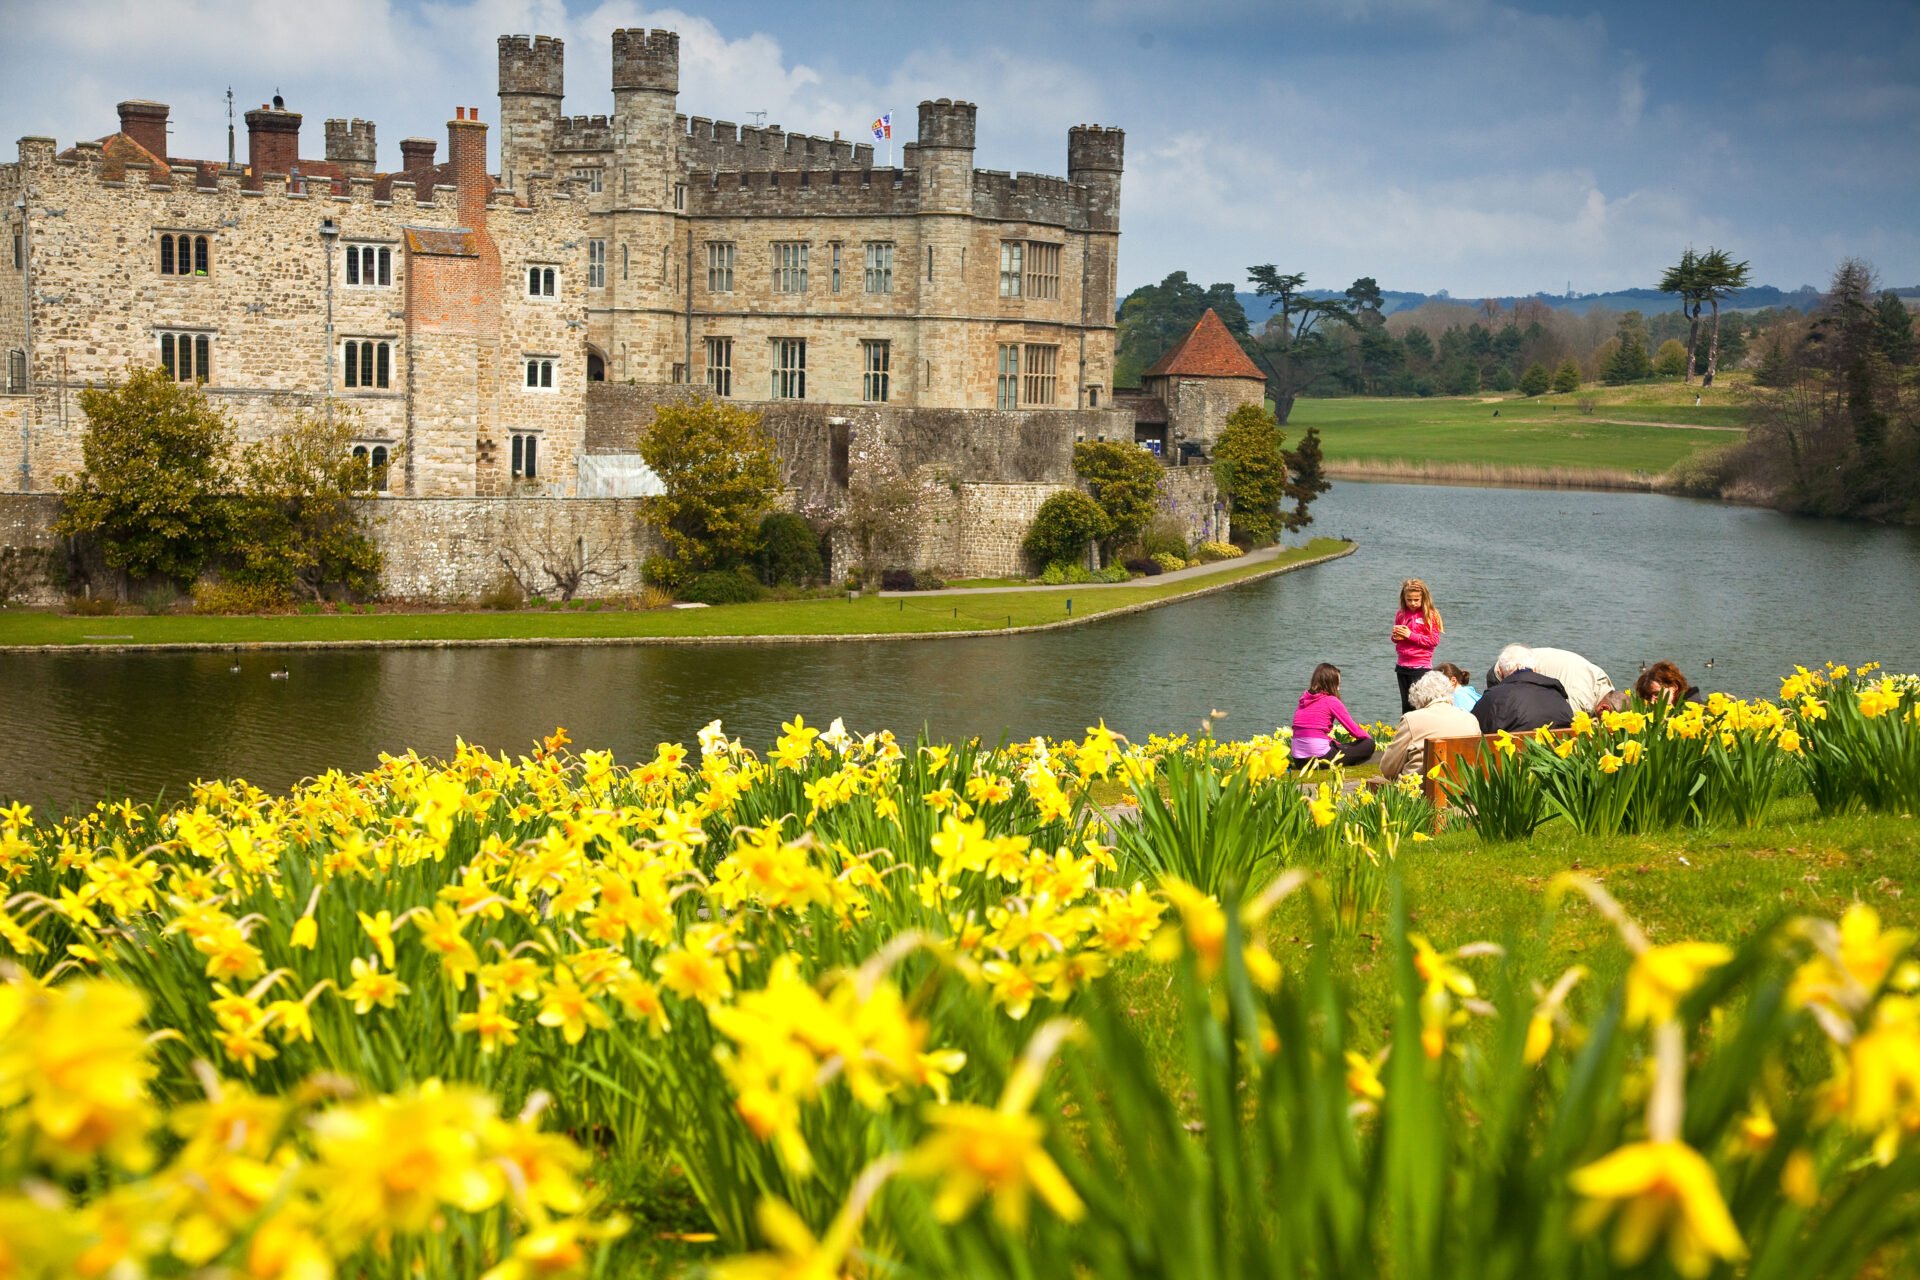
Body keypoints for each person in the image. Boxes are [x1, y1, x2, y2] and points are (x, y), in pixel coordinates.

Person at [1380, 670, 1480, 781]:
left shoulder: (1412, 719)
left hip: (1419, 792)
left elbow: (1388, 768)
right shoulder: (1471, 719)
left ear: (1418, 697)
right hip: (1463, 790)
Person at [1474, 644, 1574, 734]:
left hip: (1514, 753)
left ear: (1500, 672)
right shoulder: (1557, 695)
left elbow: (1475, 731)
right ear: (1535, 669)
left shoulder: (1492, 698)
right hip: (1555, 753)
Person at [1485, 645, 1615, 715]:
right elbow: (1567, 729)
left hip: (1524, 668)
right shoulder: (1580, 698)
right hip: (1505, 670)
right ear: (1604, 708)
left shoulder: (1605, 684)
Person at [1290, 662, 1375, 768]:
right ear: (1330, 684)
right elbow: (1354, 730)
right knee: (1368, 745)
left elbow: (1307, 731)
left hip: (1300, 761)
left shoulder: (1304, 699)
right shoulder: (1331, 701)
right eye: (1337, 684)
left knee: (1340, 745)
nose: (1339, 688)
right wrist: (1369, 740)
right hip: (1320, 759)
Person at [1390, 578, 1444, 713]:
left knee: (1419, 706)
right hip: (1402, 665)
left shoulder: (1430, 615)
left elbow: (1434, 640)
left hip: (1421, 666)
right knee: (1406, 706)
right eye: (1409, 600)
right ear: (1404, 598)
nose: (1412, 603)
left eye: (1416, 600)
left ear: (1423, 598)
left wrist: (1410, 635)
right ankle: (1407, 732)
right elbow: (1396, 639)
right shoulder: (1401, 614)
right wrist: (1395, 637)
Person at [1633, 660, 1704, 707]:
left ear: (1674, 687)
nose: (1651, 701)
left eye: (1657, 694)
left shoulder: (1692, 712)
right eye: (1648, 697)